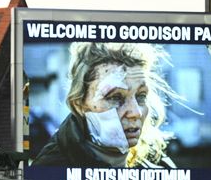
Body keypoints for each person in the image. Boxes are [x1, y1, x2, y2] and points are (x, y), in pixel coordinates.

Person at [32, 42, 178, 168]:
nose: (136, 113)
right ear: (79, 105)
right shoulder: (50, 173)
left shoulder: (160, 168)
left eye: (141, 96)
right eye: (115, 97)